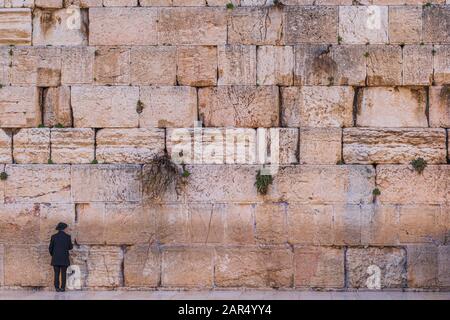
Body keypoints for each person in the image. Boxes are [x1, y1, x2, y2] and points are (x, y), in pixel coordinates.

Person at [49, 222, 73, 292]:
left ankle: (57, 288)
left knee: (56, 273)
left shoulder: (53, 236)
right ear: (64, 228)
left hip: (55, 258)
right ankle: (62, 288)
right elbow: (70, 247)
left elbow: (50, 248)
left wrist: (53, 255)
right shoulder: (68, 237)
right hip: (64, 258)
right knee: (63, 273)